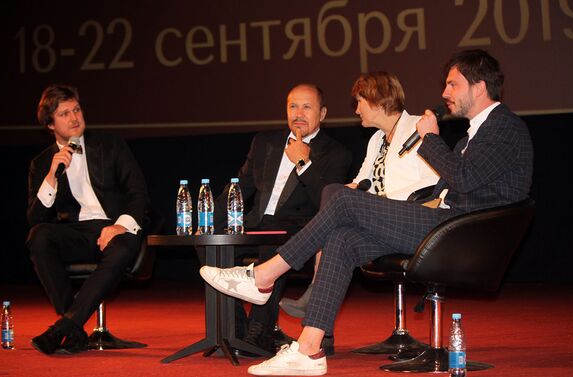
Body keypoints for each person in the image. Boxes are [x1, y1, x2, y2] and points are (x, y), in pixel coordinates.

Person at [200, 49, 534, 375]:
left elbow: (464, 179)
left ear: (478, 87)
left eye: (453, 84)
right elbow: (455, 185)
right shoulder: (474, 134)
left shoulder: (504, 126)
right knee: (344, 239)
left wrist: (430, 140)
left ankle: (263, 277)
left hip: (464, 232)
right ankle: (309, 348)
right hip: (446, 222)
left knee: (343, 201)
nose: (445, 92)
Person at [279, 71, 440, 318]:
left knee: (336, 196)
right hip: (382, 220)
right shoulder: (377, 140)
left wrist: (372, 201)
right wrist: (348, 194)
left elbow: (433, 185)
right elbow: (361, 184)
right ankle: (317, 331)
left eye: (360, 102)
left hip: (414, 221)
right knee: (336, 210)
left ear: (377, 100)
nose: (356, 110)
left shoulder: (418, 127)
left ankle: (298, 280)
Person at [210, 83, 352, 356]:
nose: (298, 113)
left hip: (300, 231)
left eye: (307, 107)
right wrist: (209, 221)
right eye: (293, 106)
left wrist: (302, 163)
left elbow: (328, 202)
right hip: (256, 224)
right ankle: (234, 331)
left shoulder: (336, 153)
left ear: (322, 113)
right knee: (210, 240)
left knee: (272, 236)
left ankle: (258, 333)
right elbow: (240, 187)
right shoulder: (265, 142)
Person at [26, 84, 150, 355]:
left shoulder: (110, 144)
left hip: (117, 225)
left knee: (122, 246)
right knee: (39, 236)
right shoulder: (42, 162)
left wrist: (118, 226)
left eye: (77, 110)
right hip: (78, 231)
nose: (74, 118)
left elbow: (138, 193)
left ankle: (65, 327)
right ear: (50, 124)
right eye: (64, 113)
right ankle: (73, 329)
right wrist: (51, 176)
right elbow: (35, 218)